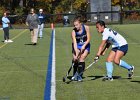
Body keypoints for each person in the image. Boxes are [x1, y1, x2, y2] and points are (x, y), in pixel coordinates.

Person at [71, 16, 90, 81]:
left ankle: (80, 75)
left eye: (76, 25)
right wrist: (76, 53)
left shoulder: (86, 28)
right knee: (75, 59)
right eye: (74, 25)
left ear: (80, 23)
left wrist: (84, 46)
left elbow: (88, 39)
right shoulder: (73, 32)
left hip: (86, 45)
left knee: (82, 58)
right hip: (77, 45)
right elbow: (75, 43)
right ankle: (74, 73)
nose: (75, 26)